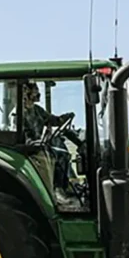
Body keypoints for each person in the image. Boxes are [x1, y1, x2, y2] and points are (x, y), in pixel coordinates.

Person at [19, 82, 86, 212]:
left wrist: (65, 117)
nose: (38, 94)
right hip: (30, 150)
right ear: (26, 93)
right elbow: (24, 136)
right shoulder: (18, 114)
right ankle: (55, 191)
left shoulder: (37, 110)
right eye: (35, 92)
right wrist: (35, 143)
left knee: (63, 152)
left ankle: (64, 187)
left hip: (40, 145)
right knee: (54, 155)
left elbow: (52, 120)